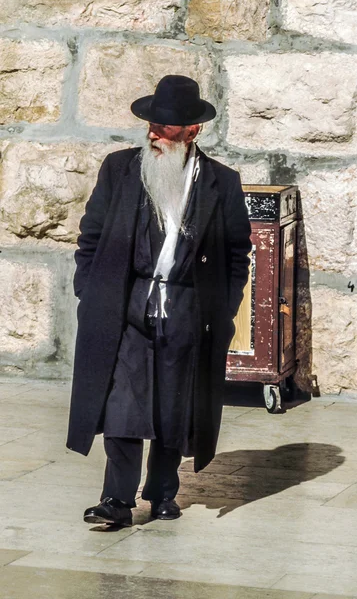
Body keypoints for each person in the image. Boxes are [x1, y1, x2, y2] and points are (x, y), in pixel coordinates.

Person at [66, 75, 252, 526]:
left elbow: (236, 253)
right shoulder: (119, 168)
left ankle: (163, 492)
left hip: (187, 307)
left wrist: (221, 309)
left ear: (192, 130)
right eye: (151, 123)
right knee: (122, 404)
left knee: (173, 405)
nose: (153, 133)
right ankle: (116, 499)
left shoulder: (221, 183)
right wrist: (89, 292)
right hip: (125, 305)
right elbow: (89, 238)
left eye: (166, 127)